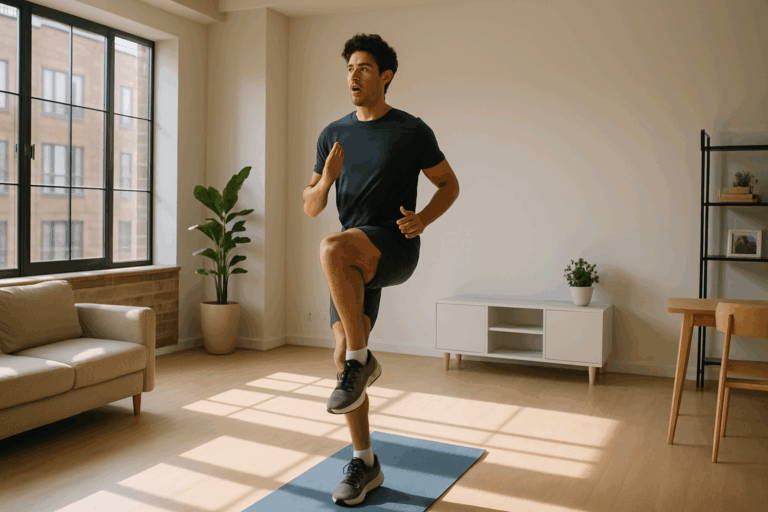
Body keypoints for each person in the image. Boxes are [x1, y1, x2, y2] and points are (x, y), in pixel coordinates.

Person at [302, 33, 460, 506]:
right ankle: (365, 461)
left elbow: (449, 184)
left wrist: (423, 218)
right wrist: (327, 179)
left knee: (330, 248)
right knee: (340, 359)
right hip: (351, 255)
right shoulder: (333, 134)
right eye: (350, 67)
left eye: (364, 68)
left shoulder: (411, 130)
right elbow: (311, 205)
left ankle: (362, 362)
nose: (354, 74)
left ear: (385, 77)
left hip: (392, 245)